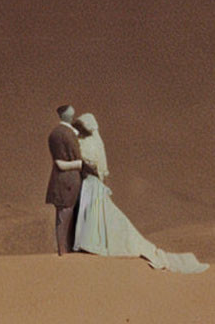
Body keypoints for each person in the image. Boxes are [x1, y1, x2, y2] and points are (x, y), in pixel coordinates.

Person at [72, 112, 208, 273]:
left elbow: (96, 167)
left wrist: (87, 169)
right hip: (88, 183)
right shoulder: (87, 142)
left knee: (100, 214)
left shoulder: (91, 143)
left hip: (92, 182)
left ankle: (94, 244)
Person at [45, 103, 87, 255]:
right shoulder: (60, 133)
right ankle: (63, 250)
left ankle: (66, 249)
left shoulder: (66, 132)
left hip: (71, 179)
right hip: (67, 179)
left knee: (69, 214)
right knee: (65, 214)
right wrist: (80, 163)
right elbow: (60, 162)